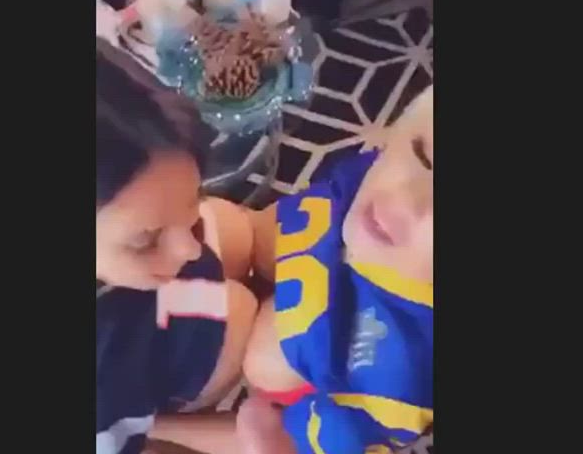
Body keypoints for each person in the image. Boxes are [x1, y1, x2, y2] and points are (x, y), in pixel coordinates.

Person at [239, 86, 434, 453]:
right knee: (234, 230)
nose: (408, 200)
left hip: (313, 388)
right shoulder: (377, 173)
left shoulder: (405, 371)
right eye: (425, 156)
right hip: (307, 252)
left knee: (268, 360)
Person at [95, 38, 257, 454]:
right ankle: (165, 418)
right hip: (127, 368)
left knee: (236, 230)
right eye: (146, 240)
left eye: (193, 196)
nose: (189, 249)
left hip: (134, 303)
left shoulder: (127, 221)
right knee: (241, 313)